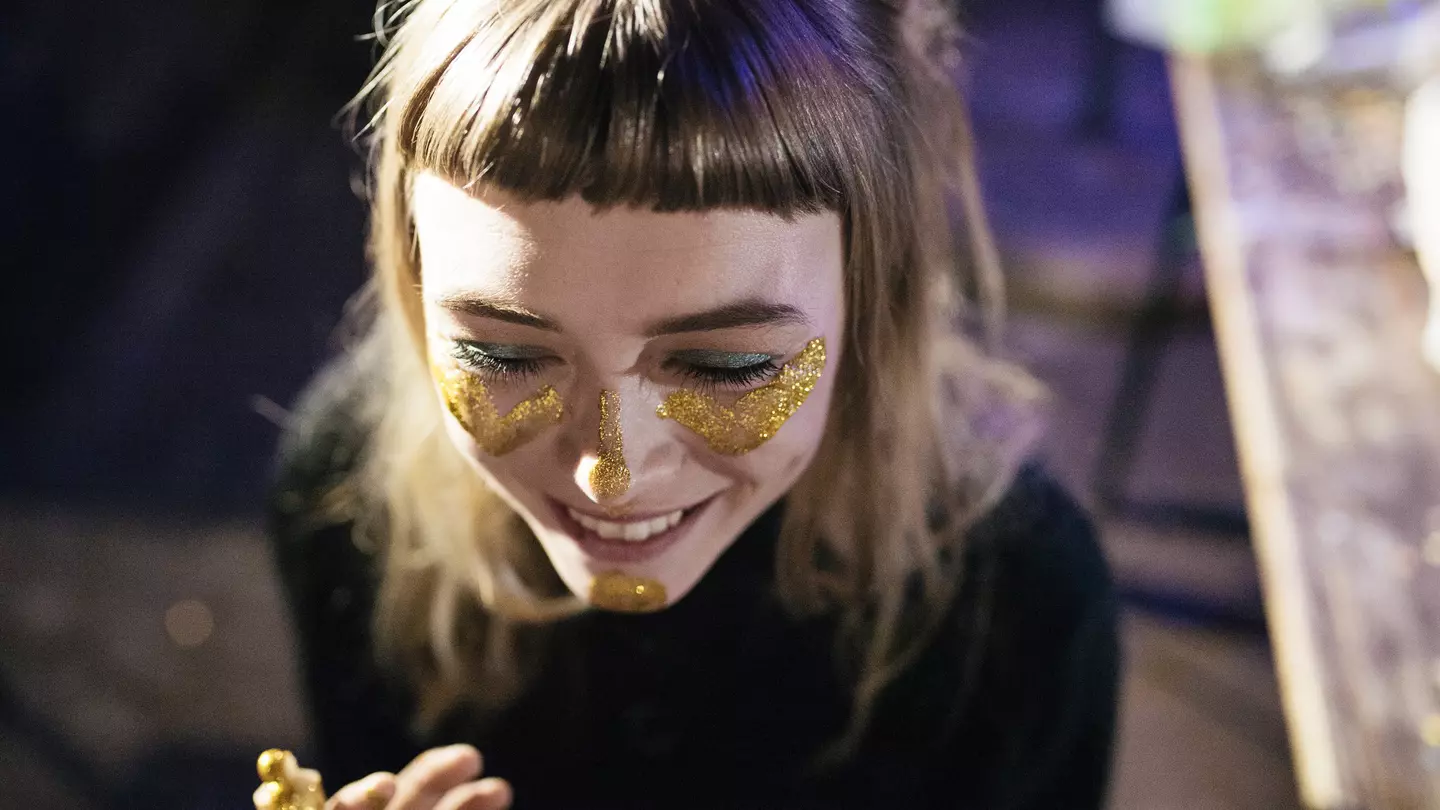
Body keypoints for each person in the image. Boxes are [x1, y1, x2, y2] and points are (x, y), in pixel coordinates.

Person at [261, 0, 1119, 808]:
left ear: (875, 302)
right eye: (504, 355)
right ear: (412, 291)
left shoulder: (1014, 611)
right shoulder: (347, 501)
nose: (612, 476)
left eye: (725, 365)